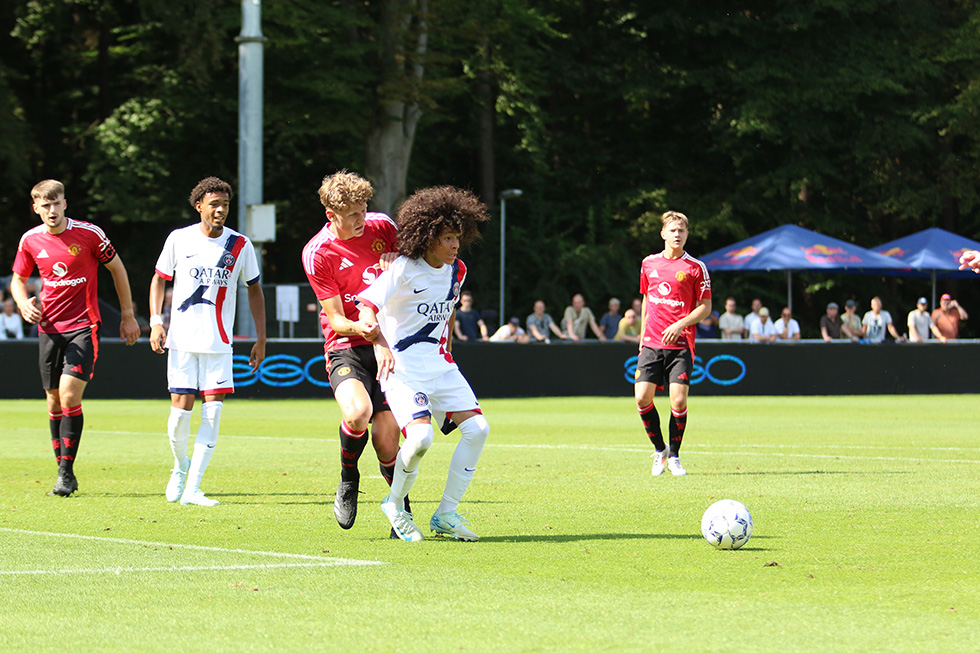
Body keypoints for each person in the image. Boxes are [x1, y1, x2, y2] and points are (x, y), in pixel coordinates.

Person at [357, 185, 491, 542]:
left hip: (441, 364)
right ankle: (395, 504)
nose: (454, 245)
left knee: (478, 430)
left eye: (457, 237)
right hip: (403, 367)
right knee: (420, 439)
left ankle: (446, 512)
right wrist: (378, 340)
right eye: (447, 238)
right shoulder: (403, 268)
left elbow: (444, 316)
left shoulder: (457, 270)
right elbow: (367, 306)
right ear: (428, 237)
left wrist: (447, 355)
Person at [10, 179, 140, 497]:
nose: (52, 210)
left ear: (65, 204)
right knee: (53, 401)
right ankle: (62, 470)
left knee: (69, 396)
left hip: (83, 326)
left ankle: (66, 473)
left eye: (57, 203)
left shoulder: (89, 234)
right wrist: (22, 300)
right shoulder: (30, 240)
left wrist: (127, 315)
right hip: (49, 329)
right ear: (36, 208)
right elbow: (18, 279)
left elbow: (117, 269)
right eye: (45, 205)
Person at [148, 177, 267, 507]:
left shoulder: (240, 245)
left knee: (212, 413)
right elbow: (159, 279)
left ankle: (194, 488)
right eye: (214, 204)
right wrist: (157, 323)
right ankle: (180, 466)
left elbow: (254, 290)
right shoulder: (179, 239)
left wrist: (261, 337)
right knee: (179, 416)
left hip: (218, 343)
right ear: (198, 205)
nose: (220, 210)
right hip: (182, 340)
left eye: (225, 205)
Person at [301, 170, 403, 532]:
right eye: (354, 215)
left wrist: (399, 262)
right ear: (331, 216)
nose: (363, 220)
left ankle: (400, 509)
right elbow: (338, 320)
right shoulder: (317, 253)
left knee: (388, 442)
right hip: (347, 343)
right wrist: (368, 332)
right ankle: (348, 479)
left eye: (364, 210)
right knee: (359, 413)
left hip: (391, 345)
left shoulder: (384, 226)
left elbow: (414, 271)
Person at [634, 211, 711, 478]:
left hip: (680, 345)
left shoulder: (695, 267)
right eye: (673, 230)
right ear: (663, 234)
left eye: (682, 230)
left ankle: (676, 456)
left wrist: (679, 325)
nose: (677, 235)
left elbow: (706, 307)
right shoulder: (648, 264)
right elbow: (646, 300)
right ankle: (660, 450)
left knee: (677, 401)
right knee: (642, 397)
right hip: (652, 344)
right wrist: (643, 337)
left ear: (687, 235)